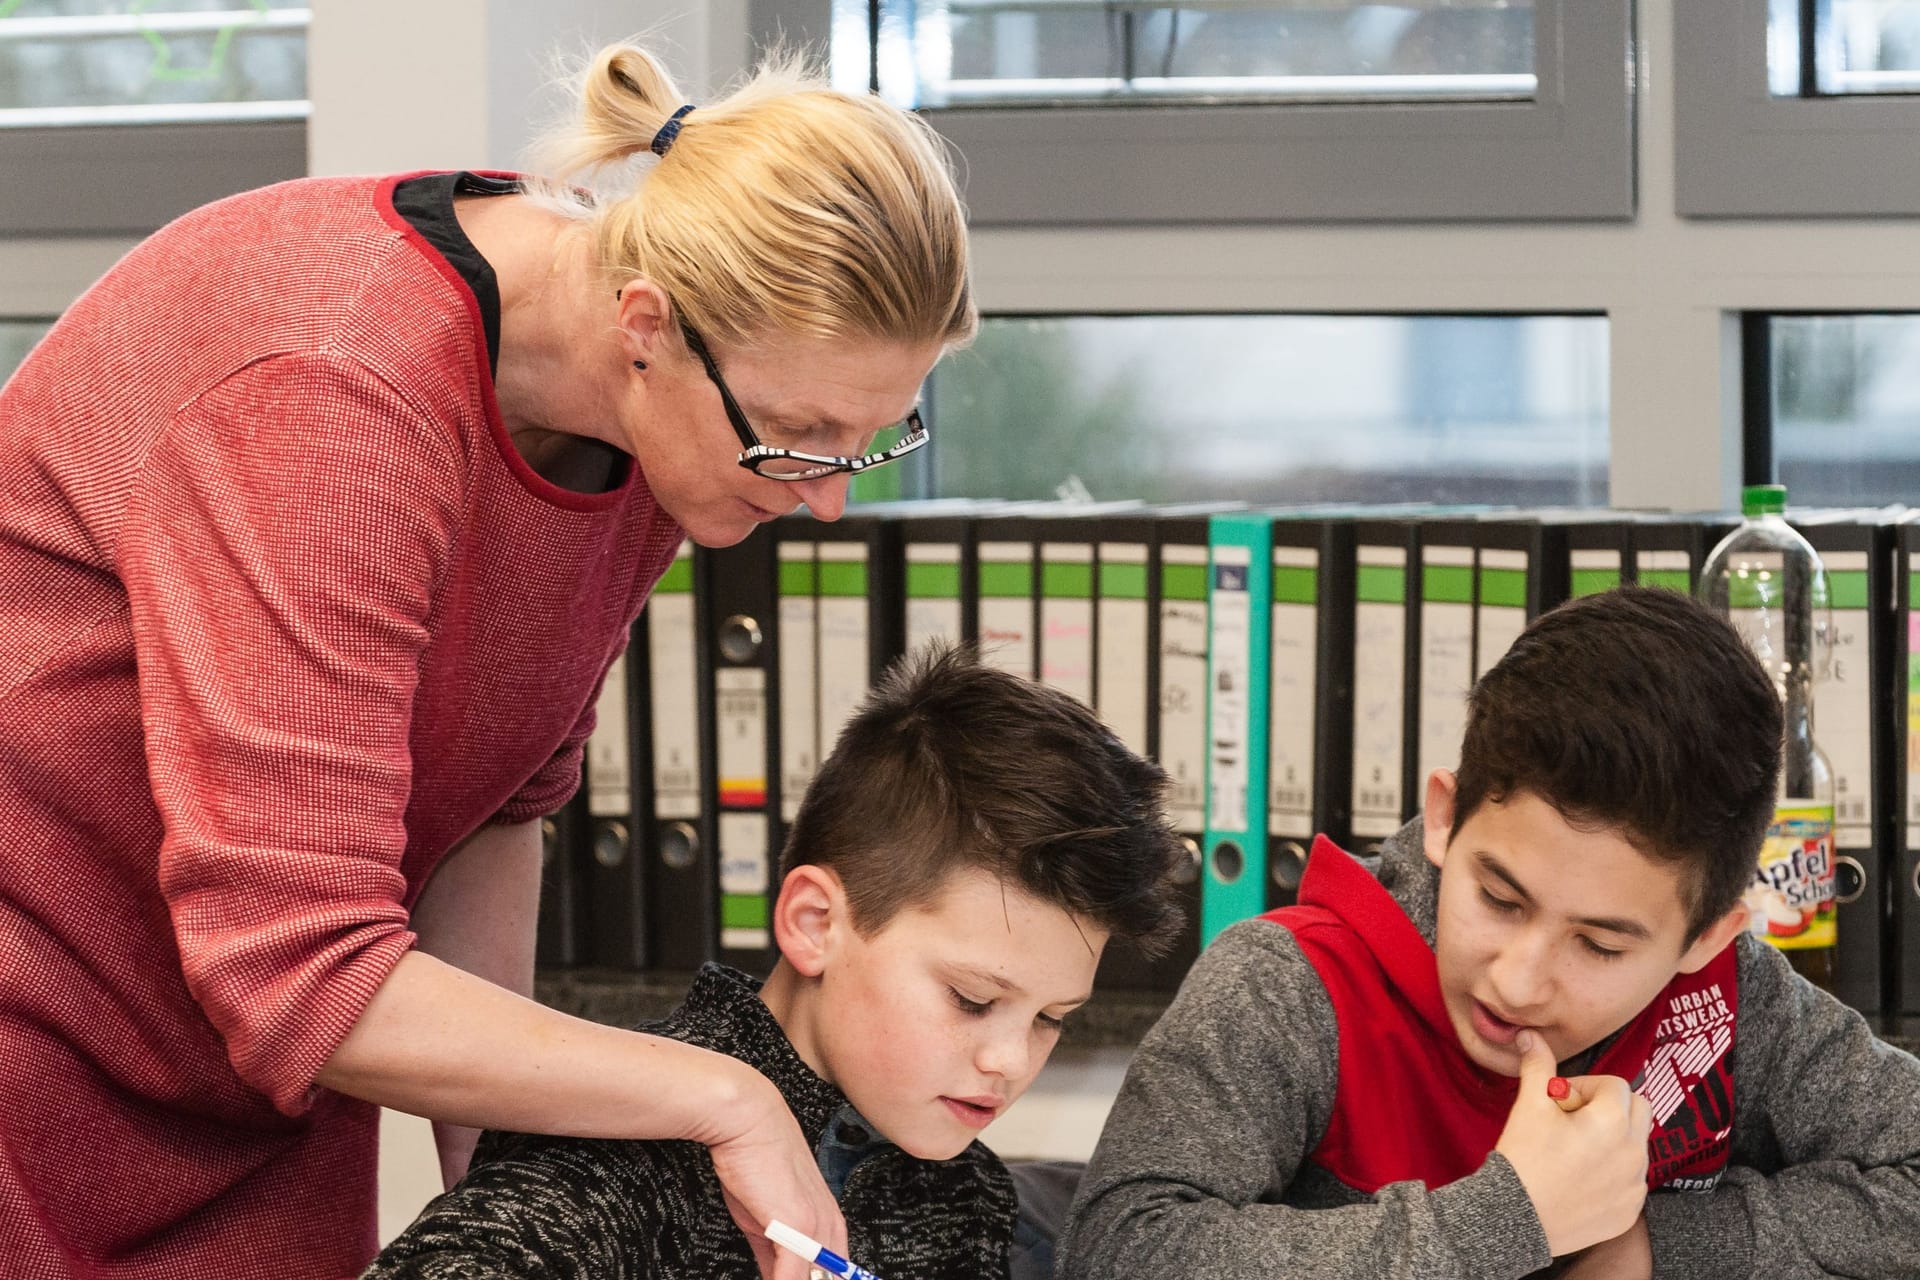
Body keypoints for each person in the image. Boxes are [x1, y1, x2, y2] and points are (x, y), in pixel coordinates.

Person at [0, 40, 972, 1280]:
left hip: (257, 1095)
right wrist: (719, 1095)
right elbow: (297, 969)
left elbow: (490, 812)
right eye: (802, 439)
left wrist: (516, 1198)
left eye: (872, 439)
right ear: (646, 328)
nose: (830, 498)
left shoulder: (663, 432)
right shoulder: (335, 392)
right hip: (39, 1056)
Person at [1059, 586, 1920, 1280]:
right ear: (1444, 820)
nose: (1517, 979)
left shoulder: (1732, 1001)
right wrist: (1513, 1219)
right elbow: (1118, 1250)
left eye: (1601, 946)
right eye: (1500, 899)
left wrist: (1653, 1244)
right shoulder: (1287, 987)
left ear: (1705, 939)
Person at [360, 642, 1187, 1278]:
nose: (1010, 1060)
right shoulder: (611, 1162)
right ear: (815, 922)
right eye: (972, 999)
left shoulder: (964, 1194)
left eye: (1051, 1020)